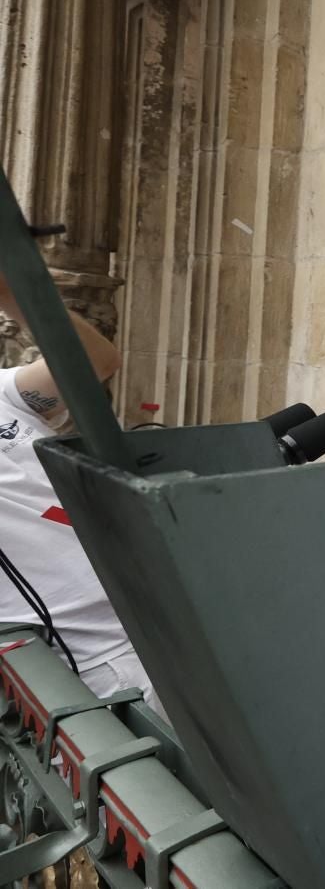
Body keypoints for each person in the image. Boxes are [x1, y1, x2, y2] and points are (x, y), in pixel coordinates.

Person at [0, 271, 159, 707]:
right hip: (102, 662)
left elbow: (95, 360)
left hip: (170, 608)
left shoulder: (3, 393)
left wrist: (12, 289)